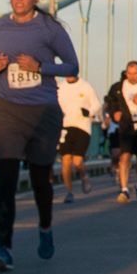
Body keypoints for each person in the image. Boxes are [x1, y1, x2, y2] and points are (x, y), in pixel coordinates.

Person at [0, 0, 80, 270]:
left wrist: (40, 67)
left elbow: (72, 66)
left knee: (40, 180)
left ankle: (45, 227)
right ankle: (4, 248)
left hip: (43, 112)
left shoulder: (49, 28)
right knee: (6, 182)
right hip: (8, 111)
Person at [104, 61, 137, 203]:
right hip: (126, 126)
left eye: (135, 73)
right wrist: (114, 113)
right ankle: (124, 189)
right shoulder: (117, 88)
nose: (132, 76)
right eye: (129, 73)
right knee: (124, 155)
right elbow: (110, 102)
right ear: (126, 73)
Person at [56, 72, 101, 203]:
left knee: (77, 161)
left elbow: (97, 104)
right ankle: (69, 192)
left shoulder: (85, 86)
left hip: (82, 127)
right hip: (65, 127)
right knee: (66, 160)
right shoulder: (60, 87)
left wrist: (90, 112)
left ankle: (84, 175)